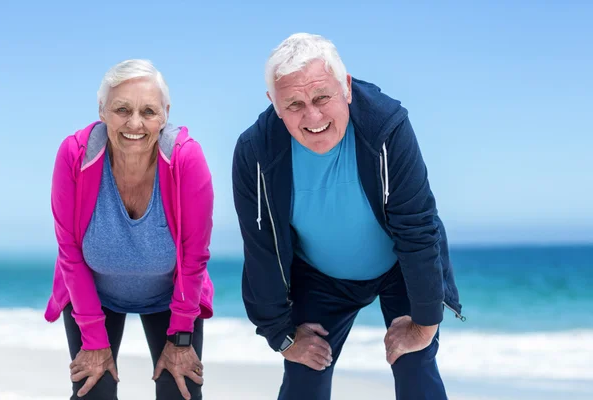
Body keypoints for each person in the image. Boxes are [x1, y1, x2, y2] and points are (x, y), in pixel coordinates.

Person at [232, 33, 464, 400]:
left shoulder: (386, 126)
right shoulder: (254, 153)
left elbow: (418, 227)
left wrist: (423, 325)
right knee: (304, 377)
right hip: (320, 277)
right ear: (274, 105)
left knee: (416, 365)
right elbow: (261, 249)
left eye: (322, 96)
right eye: (293, 104)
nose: (312, 115)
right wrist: (281, 335)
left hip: (399, 267)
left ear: (347, 87)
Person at [44, 59, 214, 400]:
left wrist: (181, 338)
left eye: (148, 111)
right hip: (92, 296)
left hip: (172, 298)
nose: (135, 123)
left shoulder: (186, 159)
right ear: (102, 111)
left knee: (181, 391)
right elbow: (70, 254)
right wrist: (93, 339)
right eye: (122, 109)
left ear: (165, 113)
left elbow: (194, 258)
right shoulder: (74, 155)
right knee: (92, 391)